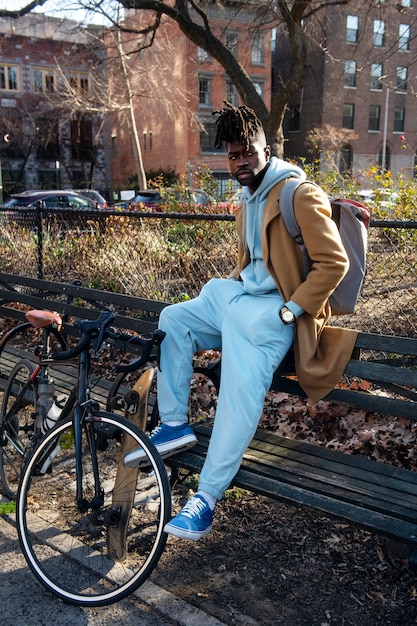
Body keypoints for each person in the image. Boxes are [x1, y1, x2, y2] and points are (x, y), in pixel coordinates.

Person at [125, 101, 357, 540]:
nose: (240, 161)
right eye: (232, 155)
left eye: (248, 150)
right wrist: (232, 288)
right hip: (239, 299)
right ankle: (174, 425)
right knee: (174, 318)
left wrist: (291, 310)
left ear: (265, 147)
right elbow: (253, 261)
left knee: (237, 391)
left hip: (273, 314)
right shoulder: (246, 197)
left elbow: (333, 262)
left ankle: (205, 499)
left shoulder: (297, 193)